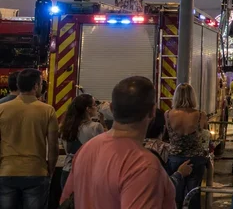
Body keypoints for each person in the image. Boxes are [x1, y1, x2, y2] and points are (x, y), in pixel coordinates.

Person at [61, 76, 176, 209]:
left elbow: (66, 200)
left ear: (111, 108)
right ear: (152, 112)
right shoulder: (143, 165)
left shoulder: (86, 150)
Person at [0, 69, 57, 208]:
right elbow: (53, 146)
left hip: (7, 171)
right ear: (36, 86)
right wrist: (50, 169)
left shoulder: (2, 108)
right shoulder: (47, 110)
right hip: (36, 171)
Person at [165, 83, 209, 209]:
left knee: (175, 194)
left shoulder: (167, 114)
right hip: (196, 159)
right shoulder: (201, 115)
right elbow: (205, 134)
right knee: (193, 195)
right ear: (192, 97)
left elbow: (167, 135)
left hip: (174, 158)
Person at [59, 93, 105, 189]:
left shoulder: (65, 127)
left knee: (68, 204)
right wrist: (103, 123)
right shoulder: (95, 127)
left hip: (67, 172)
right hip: (86, 173)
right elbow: (103, 150)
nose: (96, 107)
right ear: (88, 109)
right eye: (94, 105)